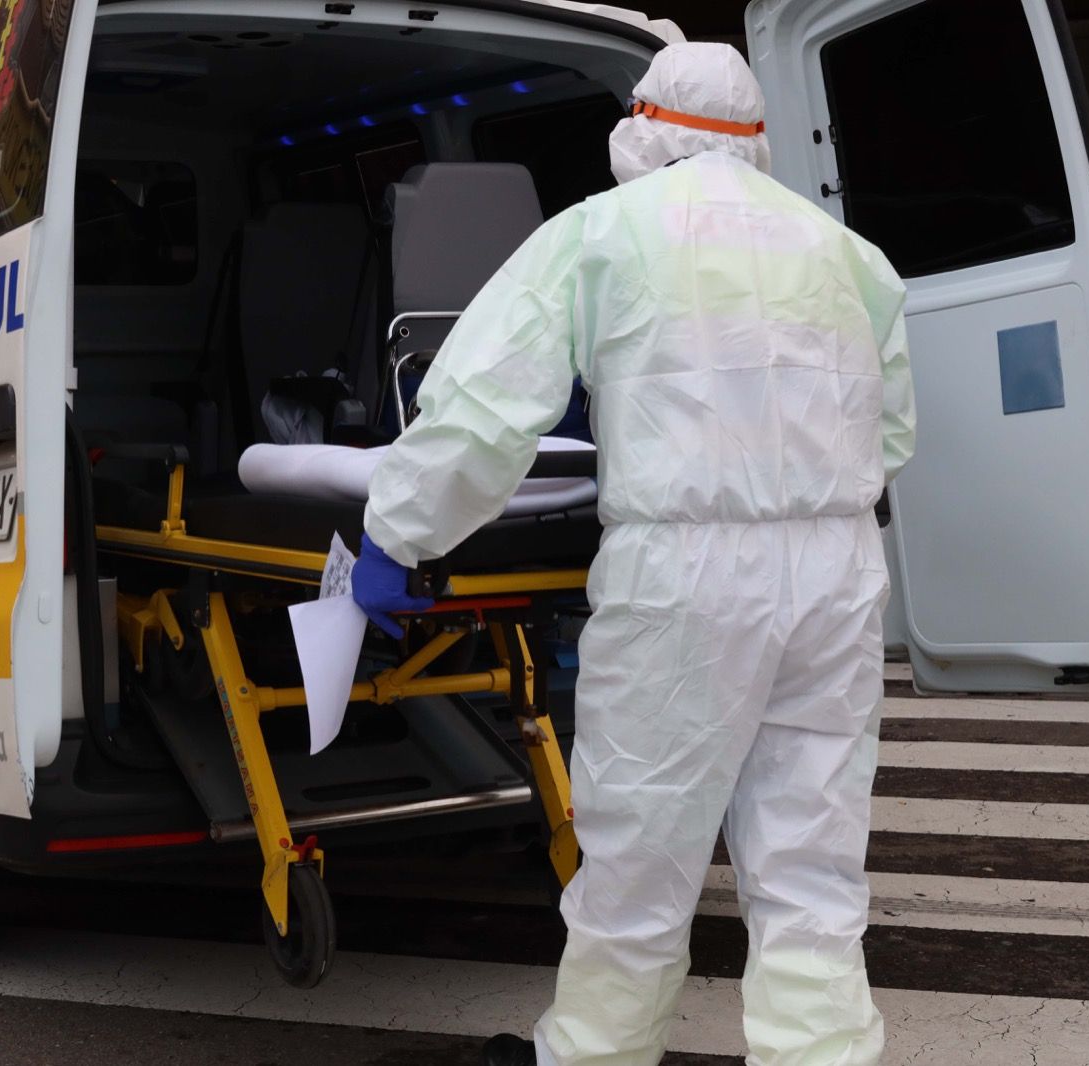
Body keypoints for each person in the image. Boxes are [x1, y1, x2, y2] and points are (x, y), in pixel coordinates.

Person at [352, 41, 915, 1066]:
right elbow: (890, 435)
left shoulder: (601, 234)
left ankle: (595, 1057)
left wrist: (399, 532)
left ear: (642, 127)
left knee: (640, 853)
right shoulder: (845, 253)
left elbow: (483, 411)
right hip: (834, 572)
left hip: (686, 576)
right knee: (811, 860)